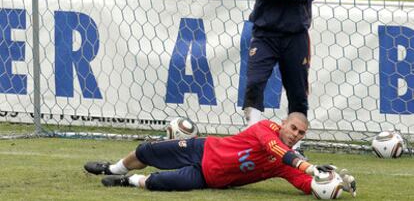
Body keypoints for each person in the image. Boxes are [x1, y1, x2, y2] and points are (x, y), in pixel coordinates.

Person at [84, 112, 356, 197]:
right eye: (293, 128)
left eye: (301, 133)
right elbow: (276, 149)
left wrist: (332, 182)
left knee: (160, 183)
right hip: (202, 148)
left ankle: (127, 181)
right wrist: (307, 166)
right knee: (146, 151)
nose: (296, 134)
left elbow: (303, 184)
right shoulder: (265, 129)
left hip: (208, 177)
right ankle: (114, 168)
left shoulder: (281, 164)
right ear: (284, 123)